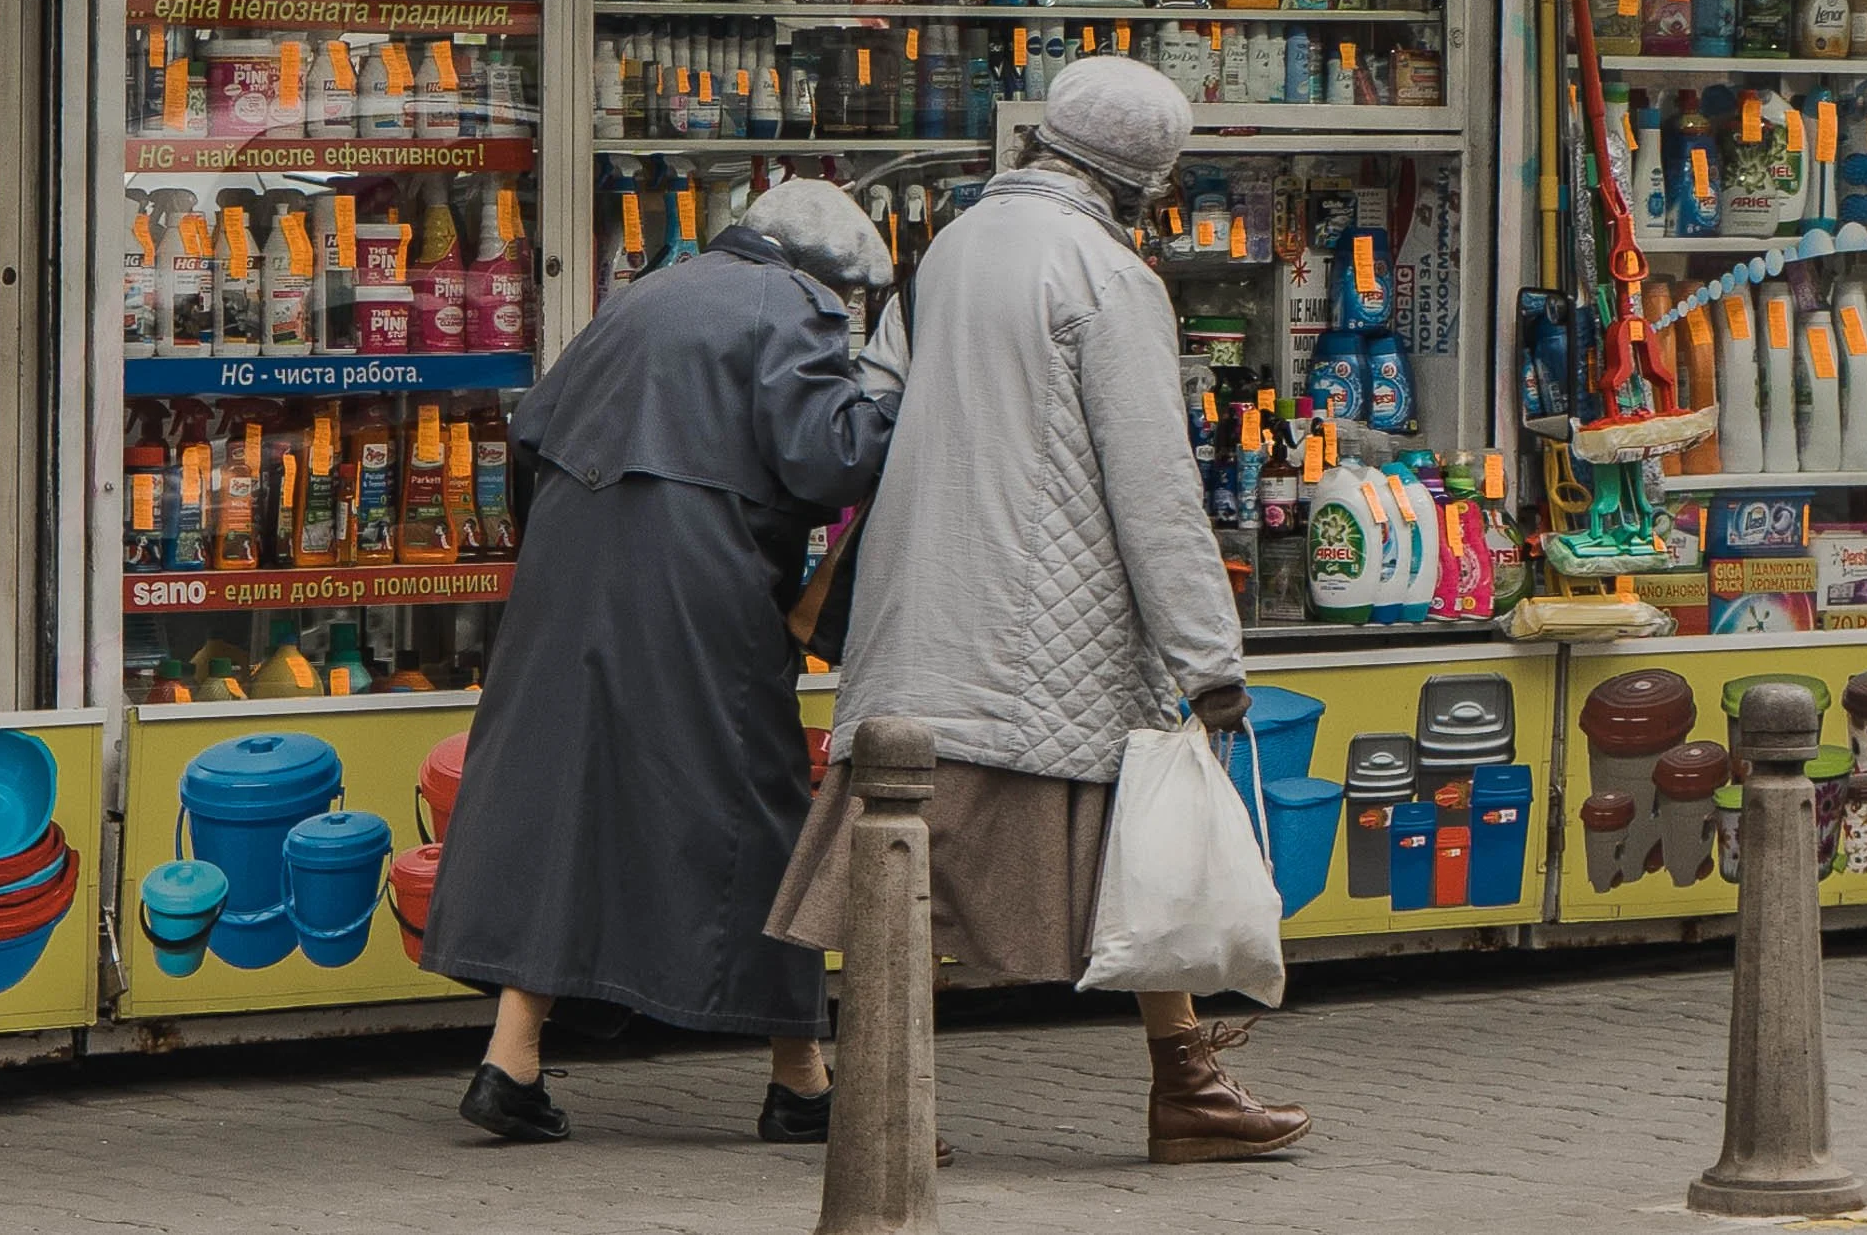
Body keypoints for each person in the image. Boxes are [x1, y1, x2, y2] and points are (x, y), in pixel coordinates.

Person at [769, 56, 1311, 1165]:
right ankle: (1151, 1091)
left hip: (921, 611)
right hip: (1043, 635)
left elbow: (875, 407)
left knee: (908, 864)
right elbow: (1154, 484)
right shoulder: (1109, 277)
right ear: (1145, 180)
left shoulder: (952, 247)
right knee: (1115, 854)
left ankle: (1159, 1086)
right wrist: (1208, 659)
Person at [424, 178, 905, 1145]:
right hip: (694, 574)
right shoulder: (794, 305)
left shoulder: (651, 291)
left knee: (570, 797)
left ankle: (511, 1062)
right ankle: (800, 1080)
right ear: (824, 275)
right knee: (754, 800)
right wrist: (890, 391)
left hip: (570, 566)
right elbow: (829, 460)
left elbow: (531, 431)